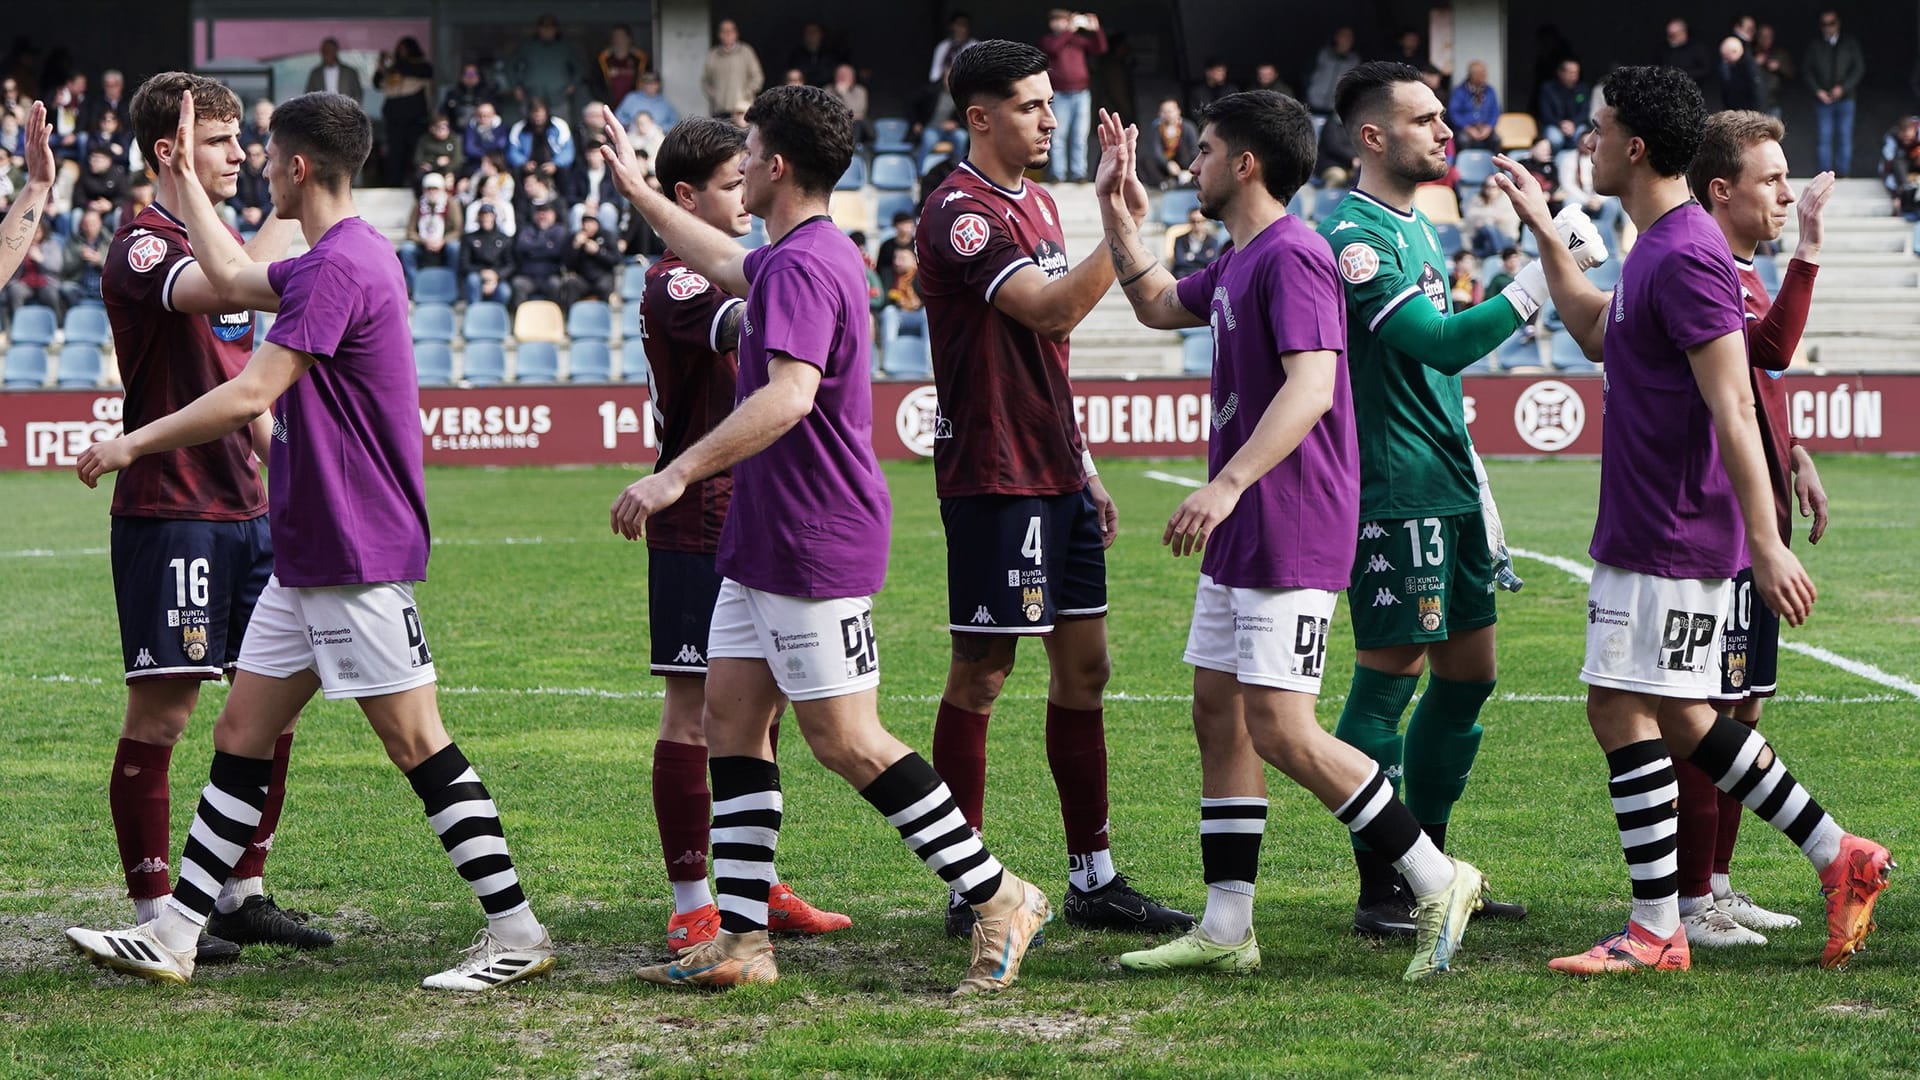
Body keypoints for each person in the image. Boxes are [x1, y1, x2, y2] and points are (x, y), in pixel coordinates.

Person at [70, 89, 558, 991]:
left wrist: (130, 440)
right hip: (310, 547)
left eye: (263, 156)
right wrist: (184, 179)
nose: (254, 165)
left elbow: (251, 393)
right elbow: (226, 273)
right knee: (242, 733)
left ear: (297, 167)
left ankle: (518, 931)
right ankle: (178, 932)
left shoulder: (336, 268)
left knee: (420, 744)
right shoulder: (342, 253)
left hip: (347, 543)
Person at [598, 85, 1050, 995]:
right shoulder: (788, 253)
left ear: (777, 166)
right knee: (729, 718)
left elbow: (790, 393)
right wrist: (639, 190)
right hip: (763, 539)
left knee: (845, 738)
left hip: (813, 536)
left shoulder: (804, 264)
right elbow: (720, 257)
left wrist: (677, 472)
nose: (744, 160)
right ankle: (741, 938)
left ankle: (1001, 894)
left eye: (752, 147)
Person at [1491, 64, 1892, 975]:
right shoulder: (1659, 249)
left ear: (1634, 146)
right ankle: (1830, 858)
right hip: (1653, 524)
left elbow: (1736, 404)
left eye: (1596, 129)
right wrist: (1547, 231)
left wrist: (1763, 540)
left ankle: (1662, 927)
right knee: (1675, 716)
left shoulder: (1686, 253)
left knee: (1626, 709)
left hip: (1671, 532)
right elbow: (1595, 328)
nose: (1584, 142)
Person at [1090, 92, 1486, 981]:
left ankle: (1437, 875)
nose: (1190, 165)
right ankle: (1227, 927)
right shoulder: (1239, 259)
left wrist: (1226, 485)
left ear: (1245, 165)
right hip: (1247, 524)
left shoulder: (1298, 255)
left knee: (1281, 727)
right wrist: (1116, 216)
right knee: (1217, 713)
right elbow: (1155, 301)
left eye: (1203, 151)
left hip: (1288, 520)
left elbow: (1311, 387)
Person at [913, 40, 1192, 939]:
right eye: (1031, 105)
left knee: (1088, 670)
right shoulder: (959, 212)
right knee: (985, 671)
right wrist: (1123, 228)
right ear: (980, 116)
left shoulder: (1034, 201)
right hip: (996, 474)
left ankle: (1093, 877)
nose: (1049, 117)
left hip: (1055, 467)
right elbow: (1053, 310)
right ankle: (969, 883)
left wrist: (1088, 464)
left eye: (1050, 101)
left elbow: (1051, 358)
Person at [70, 72, 327, 976]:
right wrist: (308, 204)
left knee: (272, 703)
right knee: (166, 713)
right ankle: (152, 907)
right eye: (222, 143)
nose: (241, 158)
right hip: (173, 511)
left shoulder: (203, 240)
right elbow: (232, 295)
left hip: (249, 508)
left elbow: (237, 363)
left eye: (245, 141)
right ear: (172, 151)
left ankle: (240, 894)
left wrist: (281, 458)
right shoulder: (146, 247)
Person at [1319, 61, 1555, 938]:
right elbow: (1442, 343)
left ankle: (1437, 868)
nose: (1445, 131)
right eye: (1424, 120)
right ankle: (1384, 885)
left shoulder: (1415, 230)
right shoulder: (1356, 239)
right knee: (1386, 685)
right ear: (1374, 137)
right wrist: (1536, 280)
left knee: (1470, 678)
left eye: (1443, 117)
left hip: (1448, 482)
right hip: (1396, 489)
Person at [630, 116, 851, 952]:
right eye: (730, 182)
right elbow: (758, 322)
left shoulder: (771, 264)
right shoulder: (679, 283)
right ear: (686, 198)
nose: (743, 192)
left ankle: (752, 885)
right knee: (693, 715)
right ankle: (694, 899)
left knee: (757, 718)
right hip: (695, 519)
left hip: (757, 516)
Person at [1673, 110, 1836, 949]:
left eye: (1786, 178)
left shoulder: (1737, 269)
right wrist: (1808, 244)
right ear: (1720, 189)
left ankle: (1720, 887)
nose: (1782, 190)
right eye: (1770, 179)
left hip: (1757, 514)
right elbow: (1769, 351)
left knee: (1742, 711)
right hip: (1721, 528)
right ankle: (1690, 899)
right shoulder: (1705, 270)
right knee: (1710, 717)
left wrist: (1796, 454)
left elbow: (1759, 391)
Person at [1038, 10, 1107, 184]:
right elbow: (1054, 49)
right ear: (1052, 23)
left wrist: (1096, 29)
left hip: (1081, 93)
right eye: (1058, 21)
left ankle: (1079, 173)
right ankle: (1058, 173)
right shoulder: (1048, 40)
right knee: (1058, 135)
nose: (1062, 24)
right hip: (1060, 94)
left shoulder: (1077, 41)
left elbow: (1100, 48)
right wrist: (1070, 30)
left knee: (1080, 135)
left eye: (1065, 20)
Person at [1803, 11, 1864, 178]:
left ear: (1838, 24)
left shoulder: (1849, 43)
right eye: (1824, 24)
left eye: (1831, 23)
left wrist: (1843, 88)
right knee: (1824, 137)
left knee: (1844, 136)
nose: (1828, 28)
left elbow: (1858, 68)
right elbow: (1807, 71)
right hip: (1823, 100)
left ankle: (1843, 173)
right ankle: (1825, 174)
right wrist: (1818, 91)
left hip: (1846, 98)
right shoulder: (1815, 45)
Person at [376, 38, 435, 187]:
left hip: (415, 120)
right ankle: (394, 184)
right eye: (399, 49)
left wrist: (394, 62)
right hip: (395, 121)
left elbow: (414, 70)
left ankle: (415, 185)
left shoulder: (421, 66)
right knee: (395, 155)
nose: (402, 53)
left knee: (415, 154)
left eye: (405, 49)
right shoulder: (392, 69)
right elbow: (377, 82)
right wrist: (382, 65)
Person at [506, 14, 584, 123]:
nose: (547, 30)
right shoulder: (528, 46)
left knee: (561, 129)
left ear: (556, 29)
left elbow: (579, 68)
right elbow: (510, 66)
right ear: (538, 29)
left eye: (550, 27)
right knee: (529, 130)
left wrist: (573, 84)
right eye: (544, 27)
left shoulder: (564, 46)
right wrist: (516, 86)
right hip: (532, 98)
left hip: (558, 98)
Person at [400, 172, 461, 297]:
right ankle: (415, 285)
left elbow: (457, 229)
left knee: (455, 248)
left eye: (435, 188)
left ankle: (452, 284)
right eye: (429, 188)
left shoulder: (451, 204)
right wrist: (423, 240)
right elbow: (410, 231)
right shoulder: (418, 205)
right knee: (406, 249)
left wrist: (443, 240)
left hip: (444, 243)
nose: (432, 192)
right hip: (423, 243)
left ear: (442, 189)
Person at [701, 19, 764, 117]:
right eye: (724, 31)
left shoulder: (746, 52)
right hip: (719, 111)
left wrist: (745, 95)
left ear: (736, 33)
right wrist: (716, 96)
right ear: (719, 34)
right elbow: (705, 81)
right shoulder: (713, 55)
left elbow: (757, 78)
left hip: (742, 111)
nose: (727, 34)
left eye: (731, 31)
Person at [511, 198, 567, 305]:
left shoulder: (559, 230)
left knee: (555, 284)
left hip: (549, 276)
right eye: (540, 213)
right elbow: (520, 247)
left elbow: (556, 251)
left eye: (546, 213)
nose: (542, 216)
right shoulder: (527, 229)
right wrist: (546, 245)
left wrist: (532, 248)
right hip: (528, 277)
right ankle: (520, 319)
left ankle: (556, 317)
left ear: (554, 214)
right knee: (518, 284)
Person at [508, 98, 574, 182]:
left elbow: (568, 150)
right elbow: (512, 152)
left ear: (546, 113)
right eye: (535, 114)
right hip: (528, 167)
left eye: (541, 114)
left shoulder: (559, 125)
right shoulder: (519, 128)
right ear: (529, 114)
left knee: (565, 172)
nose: (538, 118)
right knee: (516, 172)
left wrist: (555, 164)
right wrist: (524, 163)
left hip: (554, 166)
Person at [460, 203, 513, 304]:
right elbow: (464, 264)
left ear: (494, 217)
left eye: (489, 215)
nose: (486, 218)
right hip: (477, 273)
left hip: (497, 276)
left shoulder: (504, 238)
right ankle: (474, 311)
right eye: (483, 215)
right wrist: (482, 272)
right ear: (478, 217)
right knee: (473, 280)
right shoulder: (469, 238)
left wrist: (496, 276)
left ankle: (495, 314)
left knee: (505, 292)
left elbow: (510, 264)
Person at [1140, 98, 1198, 189]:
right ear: (1159, 113)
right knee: (1146, 161)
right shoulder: (1156, 128)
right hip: (1166, 166)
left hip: (1184, 165)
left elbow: (1194, 150)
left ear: (1178, 111)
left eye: (1170, 111)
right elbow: (1156, 152)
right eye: (1164, 112)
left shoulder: (1188, 127)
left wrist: (1190, 171)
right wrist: (1167, 164)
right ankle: (1164, 183)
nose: (1167, 115)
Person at [1537, 59, 1589, 153]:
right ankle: (1553, 165)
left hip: (1576, 125)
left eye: (1577, 73)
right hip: (1554, 124)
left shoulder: (1582, 88)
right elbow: (1545, 114)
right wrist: (1560, 124)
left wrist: (1573, 123)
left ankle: (1578, 166)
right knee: (1555, 139)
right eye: (1571, 73)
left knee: (1584, 139)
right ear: (1560, 73)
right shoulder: (1548, 89)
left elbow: (1584, 112)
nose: (1575, 76)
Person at [1306, 27, 1360, 116]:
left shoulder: (1355, 61)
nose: (1347, 39)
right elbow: (1307, 75)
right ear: (1337, 37)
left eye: (1350, 37)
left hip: (1334, 112)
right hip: (1312, 106)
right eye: (1344, 35)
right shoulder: (1322, 54)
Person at [1448, 61, 1500, 152]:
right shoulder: (1459, 91)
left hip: (1485, 127)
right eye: (1480, 73)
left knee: (1496, 140)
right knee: (1462, 140)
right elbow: (1453, 113)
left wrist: (1489, 127)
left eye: (1484, 73)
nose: (1484, 76)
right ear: (1472, 75)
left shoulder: (1490, 91)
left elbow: (1495, 111)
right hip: (1465, 128)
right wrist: (1467, 128)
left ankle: (1494, 165)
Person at [596, 25, 646, 106]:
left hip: (633, 106)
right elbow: (596, 85)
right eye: (615, 37)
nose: (618, 40)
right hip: (610, 105)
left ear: (629, 39)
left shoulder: (639, 59)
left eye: (621, 36)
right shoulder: (604, 59)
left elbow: (647, 82)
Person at [1881, 116, 1920, 219]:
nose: (1907, 140)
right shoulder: (1892, 137)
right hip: (1901, 170)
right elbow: (1886, 169)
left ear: (1914, 131)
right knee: (1898, 162)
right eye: (1904, 137)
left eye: (1909, 138)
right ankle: (1905, 192)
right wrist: (1895, 196)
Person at [1657, 19, 1711, 92]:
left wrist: (1681, 76)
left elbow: (1704, 70)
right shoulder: (1663, 49)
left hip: (1691, 88)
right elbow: (1657, 67)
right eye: (1669, 35)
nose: (1670, 38)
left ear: (1684, 33)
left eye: (1674, 35)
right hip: (1667, 89)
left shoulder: (1697, 48)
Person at [784, 23, 844, 88]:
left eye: (814, 32)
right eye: (808, 32)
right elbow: (794, 74)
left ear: (821, 35)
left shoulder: (831, 54)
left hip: (827, 90)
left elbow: (832, 74)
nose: (811, 35)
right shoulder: (797, 55)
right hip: (802, 90)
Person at [1167, 206, 1219, 279]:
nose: (1196, 224)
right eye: (1193, 221)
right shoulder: (1180, 240)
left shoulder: (1212, 241)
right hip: (1183, 276)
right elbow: (1179, 261)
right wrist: (1203, 257)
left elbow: (1212, 262)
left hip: (1203, 277)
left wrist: (1191, 256)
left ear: (1205, 222)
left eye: (1200, 221)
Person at [441, 64, 494, 132]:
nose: (470, 77)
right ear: (461, 76)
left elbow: (496, 113)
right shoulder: (453, 93)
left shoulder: (487, 93)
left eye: (473, 74)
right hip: (457, 132)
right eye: (467, 74)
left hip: (482, 132)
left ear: (479, 76)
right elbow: (443, 114)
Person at [1717, 37, 1763, 113]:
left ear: (1735, 52)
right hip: (1735, 111)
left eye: (1726, 56)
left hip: (1748, 114)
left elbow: (1758, 95)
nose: (1724, 60)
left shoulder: (1749, 67)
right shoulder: (1731, 66)